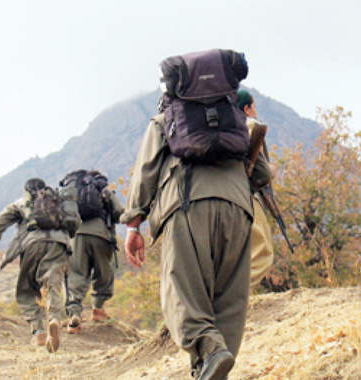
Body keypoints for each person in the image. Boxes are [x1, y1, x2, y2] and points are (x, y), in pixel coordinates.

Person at [121, 81, 271, 379]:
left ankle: (209, 350)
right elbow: (263, 174)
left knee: (181, 292)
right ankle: (212, 368)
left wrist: (133, 224)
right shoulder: (235, 119)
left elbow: (146, 171)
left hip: (186, 206)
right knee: (229, 299)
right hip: (238, 211)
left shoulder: (166, 120)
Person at [0, 178, 72, 353]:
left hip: (32, 244)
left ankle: (38, 332)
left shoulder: (21, 203)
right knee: (52, 284)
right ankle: (54, 319)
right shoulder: (56, 202)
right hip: (58, 244)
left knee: (27, 289)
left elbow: (0, 223)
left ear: (26, 191)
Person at [64, 171, 124, 333]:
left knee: (76, 274)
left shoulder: (72, 192)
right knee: (103, 272)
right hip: (100, 235)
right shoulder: (103, 190)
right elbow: (119, 211)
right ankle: (97, 309)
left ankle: (74, 314)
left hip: (76, 236)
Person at [237, 89, 276, 288]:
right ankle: (234, 298)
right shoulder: (251, 126)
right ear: (246, 108)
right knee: (262, 253)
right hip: (244, 196)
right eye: (254, 106)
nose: (256, 110)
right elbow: (262, 173)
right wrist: (272, 169)